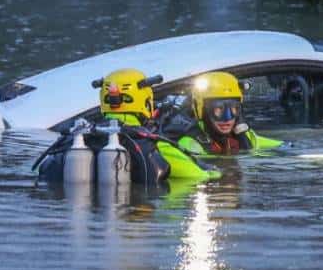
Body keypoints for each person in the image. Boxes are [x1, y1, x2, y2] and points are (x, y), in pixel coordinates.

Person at [37, 68, 218, 184]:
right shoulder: (153, 144)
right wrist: (215, 172)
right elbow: (197, 176)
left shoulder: (79, 137)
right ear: (145, 101)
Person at [165, 71, 282, 155]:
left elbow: (281, 147)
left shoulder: (243, 137)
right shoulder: (190, 144)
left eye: (234, 108)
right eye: (218, 109)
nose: (227, 118)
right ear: (201, 110)